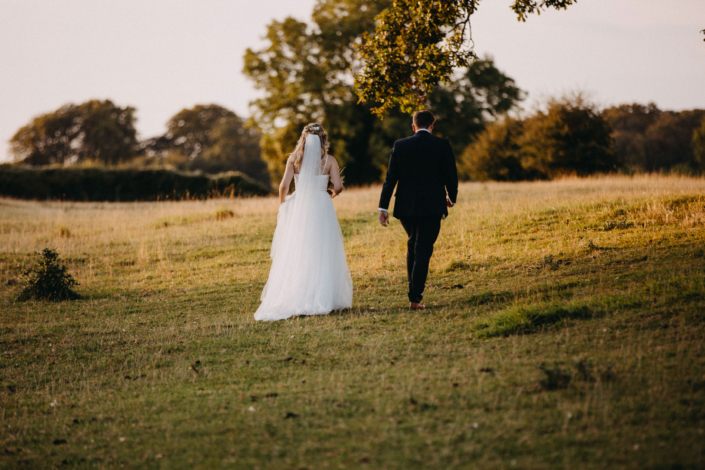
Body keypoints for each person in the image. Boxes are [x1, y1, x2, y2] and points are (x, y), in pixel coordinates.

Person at [254, 123, 352, 321]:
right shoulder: (330, 160)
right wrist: (332, 192)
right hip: (321, 206)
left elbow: (283, 186)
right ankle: (324, 296)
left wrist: (284, 206)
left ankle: (296, 293)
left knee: (299, 249)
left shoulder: (294, 159)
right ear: (323, 139)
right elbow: (339, 186)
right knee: (323, 249)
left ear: (303, 138)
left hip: (300, 205)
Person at [378, 110, 459, 310]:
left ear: (413, 126)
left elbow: (390, 178)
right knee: (422, 247)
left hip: (406, 206)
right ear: (432, 125)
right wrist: (451, 197)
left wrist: (383, 206)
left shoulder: (400, 145)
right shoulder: (442, 145)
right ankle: (415, 298)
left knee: (413, 243)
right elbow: (451, 175)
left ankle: (414, 295)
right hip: (432, 205)